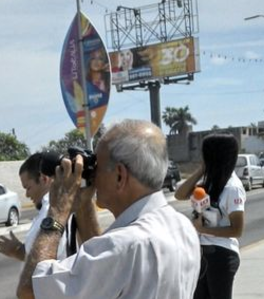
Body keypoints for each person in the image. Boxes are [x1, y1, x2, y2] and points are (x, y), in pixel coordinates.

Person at [16, 119, 201, 299]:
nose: (93, 175)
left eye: (98, 167)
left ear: (120, 176)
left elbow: (30, 289)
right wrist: (83, 204)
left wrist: (57, 211)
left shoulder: (125, 245)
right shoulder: (183, 227)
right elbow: (102, 272)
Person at [175, 133, 246, 299]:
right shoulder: (212, 181)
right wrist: (202, 170)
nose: (202, 157)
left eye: (206, 155)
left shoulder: (232, 187)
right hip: (203, 253)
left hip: (222, 255)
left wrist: (203, 229)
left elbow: (237, 230)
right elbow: (180, 194)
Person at [0, 153, 69, 262]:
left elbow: (40, 258)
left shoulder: (52, 210)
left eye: (28, 187)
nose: (27, 195)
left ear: (44, 179)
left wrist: (17, 250)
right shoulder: (55, 206)